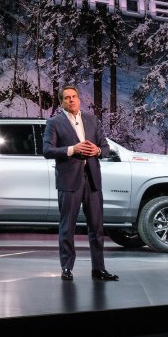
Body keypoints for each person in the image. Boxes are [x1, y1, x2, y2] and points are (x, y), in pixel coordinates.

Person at [43, 85, 119, 282]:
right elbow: (48, 151)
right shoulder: (54, 123)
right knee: (67, 227)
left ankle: (99, 269)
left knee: (97, 227)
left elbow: (106, 147)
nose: (71, 100)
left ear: (79, 99)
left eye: (74, 96)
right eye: (67, 98)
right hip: (69, 180)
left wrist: (98, 151)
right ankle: (67, 268)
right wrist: (72, 149)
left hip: (92, 179)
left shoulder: (92, 120)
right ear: (61, 102)